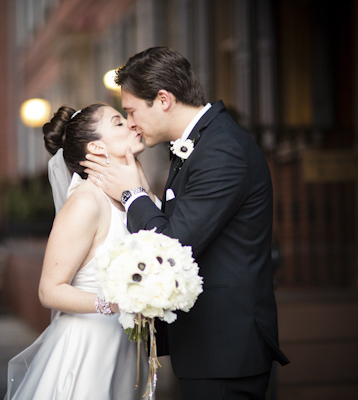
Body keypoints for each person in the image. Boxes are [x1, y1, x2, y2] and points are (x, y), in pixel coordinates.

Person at [81, 46, 290, 400]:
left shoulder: (221, 150)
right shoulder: (198, 144)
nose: (130, 122)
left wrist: (133, 195)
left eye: (131, 111)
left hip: (225, 348)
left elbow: (173, 246)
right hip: (208, 346)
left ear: (163, 99)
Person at [6, 104, 149, 400]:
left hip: (127, 347)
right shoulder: (85, 202)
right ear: (96, 147)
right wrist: (113, 303)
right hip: (90, 349)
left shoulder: (135, 194)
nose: (132, 124)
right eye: (119, 123)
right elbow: (49, 290)